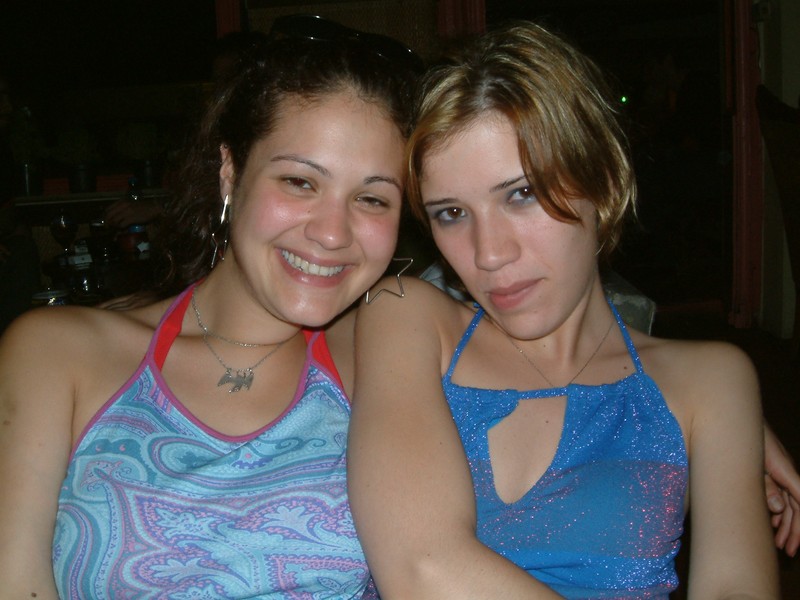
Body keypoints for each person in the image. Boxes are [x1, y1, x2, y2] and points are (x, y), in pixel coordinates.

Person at [349, 21, 783, 598]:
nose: (489, 253)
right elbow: (421, 567)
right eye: (452, 213)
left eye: (521, 193)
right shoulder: (406, 318)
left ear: (602, 181)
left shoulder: (710, 382)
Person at [0, 20, 418, 598]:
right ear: (230, 172)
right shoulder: (58, 353)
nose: (331, 233)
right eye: (299, 182)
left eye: (372, 198)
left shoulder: (386, 357)